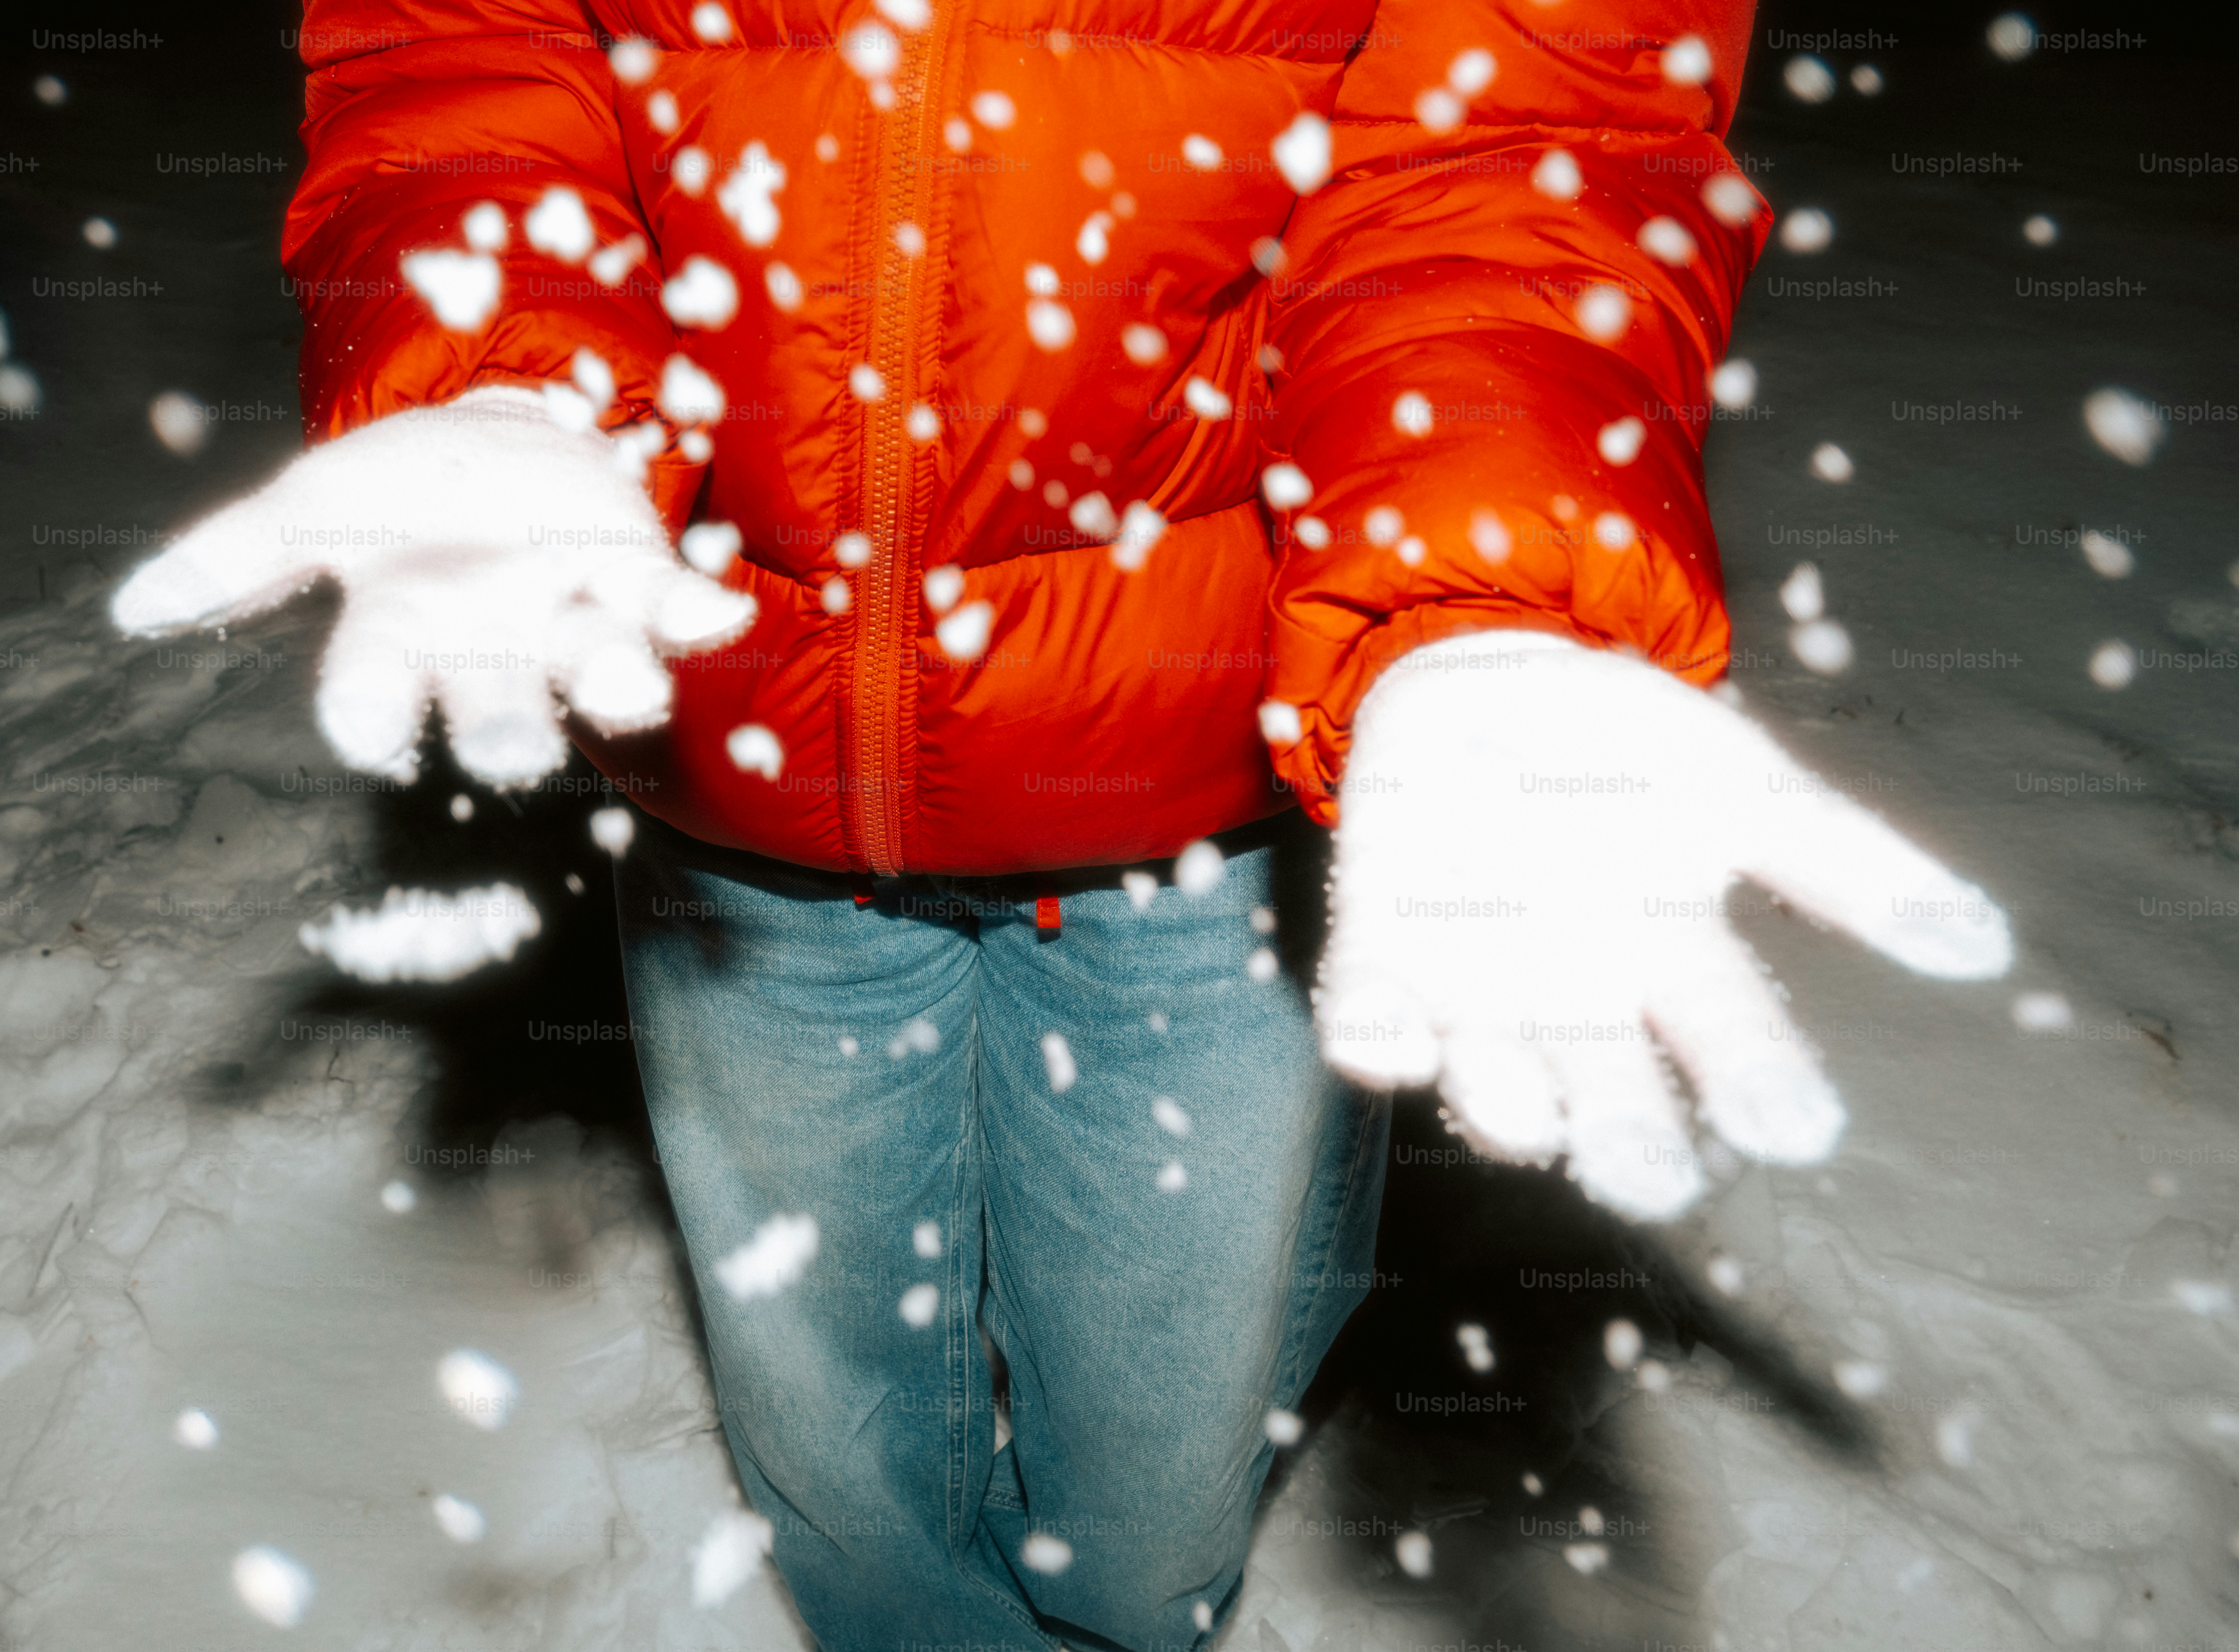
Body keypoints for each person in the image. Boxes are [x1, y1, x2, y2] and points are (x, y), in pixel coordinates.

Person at [113, 1, 2012, 1645]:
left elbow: (1521, 145)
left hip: (1196, 794)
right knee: (830, 1422)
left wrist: (1476, 592)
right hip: (733, 779)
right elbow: (466, 49)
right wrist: (502, 357)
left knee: (1155, 1459)